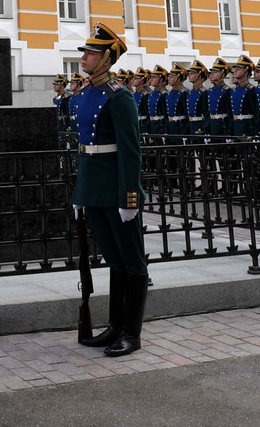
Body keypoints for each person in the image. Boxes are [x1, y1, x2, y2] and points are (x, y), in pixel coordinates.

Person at [70, 25, 148, 359]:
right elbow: (84, 146)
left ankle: (132, 333)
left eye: (90, 53)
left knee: (132, 262)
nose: (84, 57)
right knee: (115, 259)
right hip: (94, 189)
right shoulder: (86, 94)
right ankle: (115, 327)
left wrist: (129, 197)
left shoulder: (119, 96)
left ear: (106, 60)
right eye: (85, 52)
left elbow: (130, 151)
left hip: (116, 191)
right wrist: (80, 193)